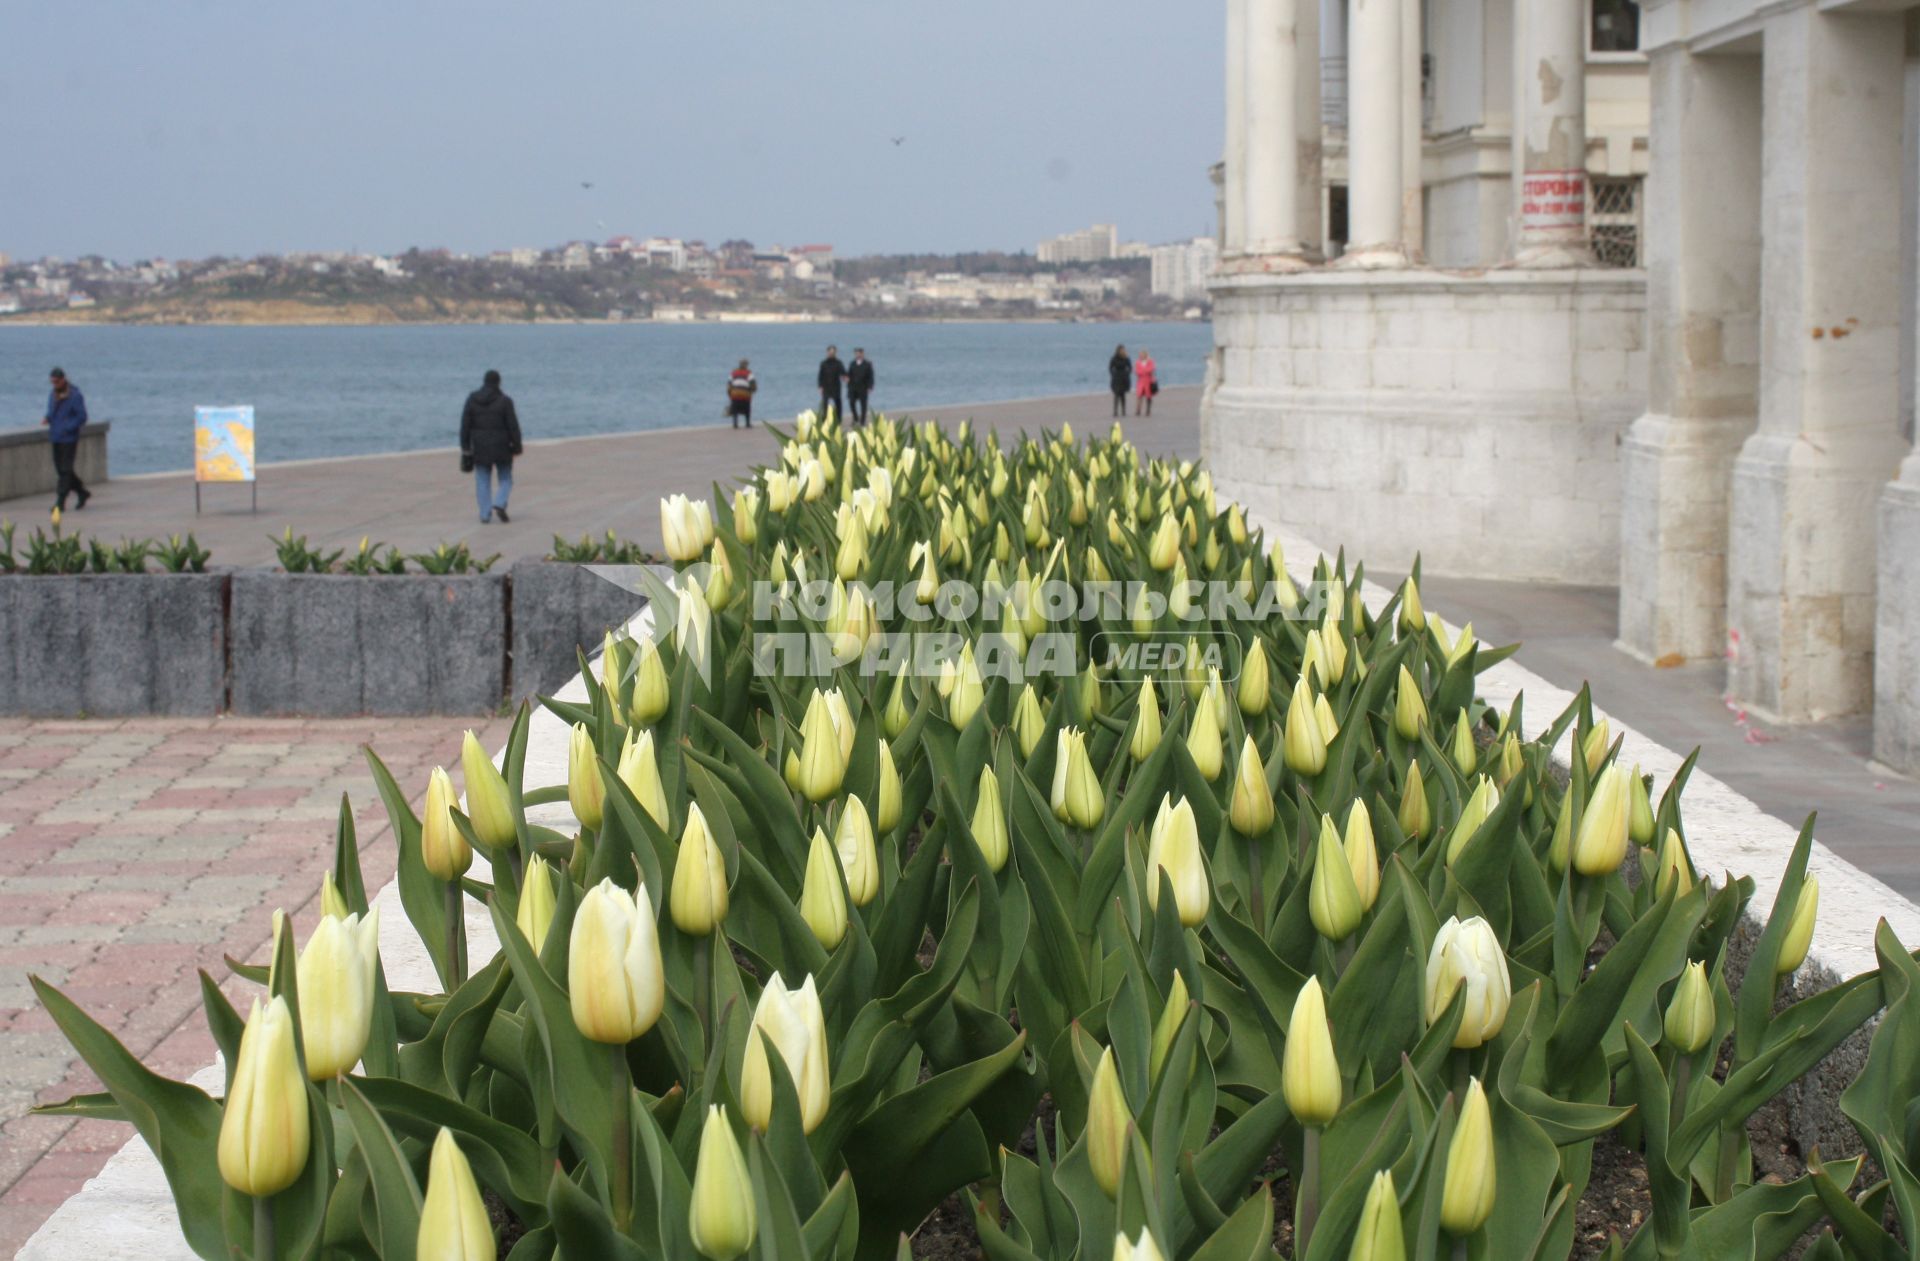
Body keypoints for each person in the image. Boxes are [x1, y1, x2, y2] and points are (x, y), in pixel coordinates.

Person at [459, 369, 523, 524]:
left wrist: (465, 447)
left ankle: (484, 514)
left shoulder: (472, 399)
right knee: (506, 478)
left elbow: (465, 425)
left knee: (482, 480)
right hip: (502, 446)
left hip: (480, 447)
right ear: (498, 383)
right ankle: (500, 502)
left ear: (484, 382)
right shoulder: (505, 401)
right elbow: (513, 426)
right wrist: (517, 445)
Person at [42, 368, 91, 515]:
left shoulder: (74, 395)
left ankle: (60, 501)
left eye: (56, 382)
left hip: (68, 438)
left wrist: (67, 427)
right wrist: (47, 418)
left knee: (65, 470)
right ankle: (82, 492)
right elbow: (52, 411)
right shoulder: (53, 394)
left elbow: (82, 416)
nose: (54, 385)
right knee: (62, 469)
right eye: (52, 382)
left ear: (63, 379)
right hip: (56, 436)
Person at [817, 345, 847, 424]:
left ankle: (838, 420)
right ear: (827, 353)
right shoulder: (823, 363)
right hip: (826, 386)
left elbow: (843, 372)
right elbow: (820, 375)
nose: (831, 354)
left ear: (835, 353)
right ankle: (825, 419)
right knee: (825, 404)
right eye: (830, 352)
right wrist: (820, 386)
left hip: (836, 387)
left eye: (833, 352)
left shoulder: (839, 363)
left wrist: (845, 377)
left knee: (838, 403)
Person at [846, 348, 875, 427]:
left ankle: (862, 421)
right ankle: (855, 418)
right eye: (856, 354)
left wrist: (870, 386)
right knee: (851, 403)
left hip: (863, 387)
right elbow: (849, 374)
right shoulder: (852, 363)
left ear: (862, 354)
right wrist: (847, 378)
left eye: (859, 353)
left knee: (863, 405)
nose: (858, 355)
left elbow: (871, 376)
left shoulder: (867, 364)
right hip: (853, 387)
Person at [727, 359, 758, 428]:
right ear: (746, 365)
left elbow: (729, 384)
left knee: (735, 409)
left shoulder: (733, 373)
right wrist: (752, 391)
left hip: (734, 394)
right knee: (747, 408)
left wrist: (730, 393)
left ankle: (735, 424)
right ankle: (747, 423)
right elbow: (753, 384)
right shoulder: (749, 373)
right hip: (745, 395)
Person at [1108, 345, 1132, 418]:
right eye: (1121, 350)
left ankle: (1123, 411)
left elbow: (1130, 367)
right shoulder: (1114, 358)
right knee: (1116, 394)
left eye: (1123, 350)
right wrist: (1113, 374)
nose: (1122, 351)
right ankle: (1115, 411)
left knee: (1122, 395)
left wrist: (1127, 373)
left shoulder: (1126, 358)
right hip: (1116, 377)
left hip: (1124, 377)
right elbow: (1110, 367)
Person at [1134, 348, 1158, 417]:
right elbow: (1137, 372)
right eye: (1140, 355)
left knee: (1149, 396)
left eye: (1143, 355)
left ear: (1146, 355)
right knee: (1139, 396)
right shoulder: (1138, 362)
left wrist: (1144, 371)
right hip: (1141, 381)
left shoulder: (1150, 361)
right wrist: (1145, 371)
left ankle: (1148, 410)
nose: (1141, 356)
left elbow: (1151, 369)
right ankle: (1138, 410)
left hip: (1149, 381)